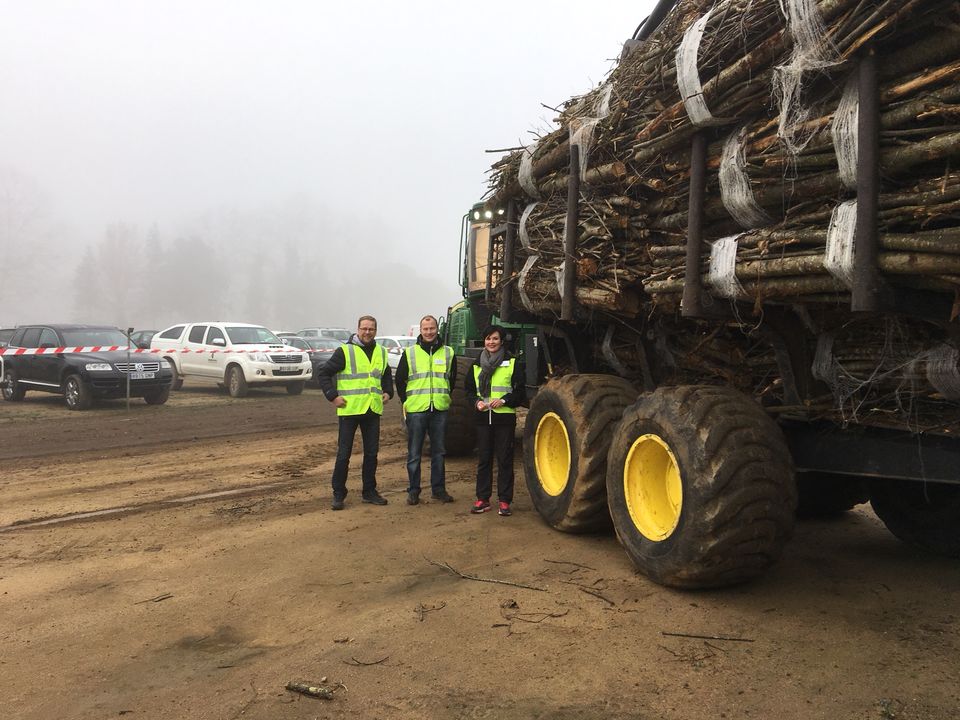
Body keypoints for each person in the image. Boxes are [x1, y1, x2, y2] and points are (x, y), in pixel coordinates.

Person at [317, 315, 393, 510]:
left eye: (371, 329)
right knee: (344, 455)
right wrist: (332, 396)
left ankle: (369, 492)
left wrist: (388, 392)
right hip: (349, 410)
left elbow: (385, 376)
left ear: (376, 331)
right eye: (364, 329)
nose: (367, 332)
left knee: (371, 454)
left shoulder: (382, 352)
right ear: (358, 330)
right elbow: (324, 373)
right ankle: (338, 494)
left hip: (372, 409)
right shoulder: (345, 351)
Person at [395, 315, 457, 506]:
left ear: (437, 329)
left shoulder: (448, 353)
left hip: (439, 409)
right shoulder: (410, 353)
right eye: (425, 329)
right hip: (416, 410)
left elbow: (451, 379)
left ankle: (438, 490)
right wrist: (408, 401)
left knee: (439, 452)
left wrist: (443, 396)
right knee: (414, 454)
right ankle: (413, 491)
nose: (429, 332)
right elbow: (399, 380)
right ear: (420, 331)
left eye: (432, 328)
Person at [465, 325, 526, 516]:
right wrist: (476, 403)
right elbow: (468, 391)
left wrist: (505, 400)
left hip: (504, 419)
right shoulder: (476, 365)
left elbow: (520, 392)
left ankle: (504, 501)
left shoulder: (512, 363)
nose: (491, 342)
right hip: (483, 418)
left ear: (501, 342)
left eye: (495, 339)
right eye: (488, 339)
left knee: (505, 460)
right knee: (484, 459)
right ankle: (483, 499)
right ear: (484, 341)